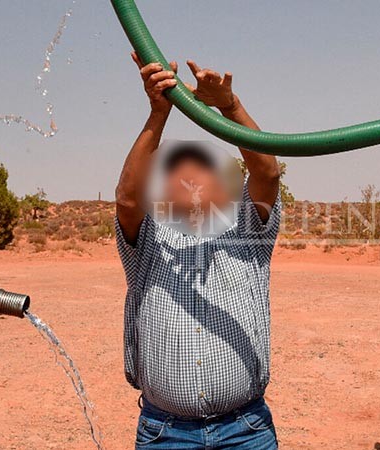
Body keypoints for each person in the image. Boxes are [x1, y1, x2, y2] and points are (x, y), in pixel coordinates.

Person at [115, 52, 282, 449]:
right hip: (165, 433)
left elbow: (267, 173)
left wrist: (230, 106)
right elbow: (125, 199)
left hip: (246, 429)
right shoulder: (148, 241)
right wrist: (158, 114)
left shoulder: (248, 233)